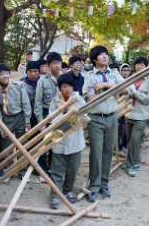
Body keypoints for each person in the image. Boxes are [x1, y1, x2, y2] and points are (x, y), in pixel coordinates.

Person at [82, 45, 125, 202]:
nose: (104, 56)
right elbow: (89, 97)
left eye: (106, 54)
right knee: (96, 152)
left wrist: (105, 86)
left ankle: (104, 184)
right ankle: (94, 185)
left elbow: (125, 88)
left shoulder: (114, 73)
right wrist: (99, 90)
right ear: (94, 59)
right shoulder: (88, 76)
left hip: (112, 117)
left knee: (108, 151)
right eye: (101, 55)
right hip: (96, 119)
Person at [48, 74, 86, 209]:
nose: (68, 89)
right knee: (57, 169)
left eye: (70, 86)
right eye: (64, 86)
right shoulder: (54, 101)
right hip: (59, 139)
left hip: (75, 140)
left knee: (72, 169)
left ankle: (68, 190)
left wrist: (71, 112)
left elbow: (84, 115)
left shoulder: (79, 99)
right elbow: (52, 120)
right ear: (60, 87)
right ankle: (54, 194)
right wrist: (62, 109)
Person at [0, 63, 32, 182]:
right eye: (1, 73)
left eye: (6, 73)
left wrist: (27, 120)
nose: (4, 76)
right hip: (5, 119)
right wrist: (0, 127)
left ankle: (22, 171)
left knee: (22, 145)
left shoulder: (18, 85)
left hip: (20, 117)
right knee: (6, 147)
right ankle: (7, 171)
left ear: (10, 73)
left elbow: (25, 103)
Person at [125, 57, 149, 177]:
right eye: (137, 64)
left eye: (142, 65)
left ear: (146, 67)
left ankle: (130, 165)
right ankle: (136, 161)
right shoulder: (130, 79)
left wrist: (135, 93)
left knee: (134, 140)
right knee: (131, 141)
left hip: (141, 116)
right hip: (128, 114)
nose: (139, 67)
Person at [34, 52, 63, 180]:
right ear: (49, 65)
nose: (57, 66)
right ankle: (42, 169)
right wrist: (41, 121)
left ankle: (54, 168)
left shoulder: (66, 78)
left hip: (61, 113)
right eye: (54, 63)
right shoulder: (43, 80)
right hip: (47, 114)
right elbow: (38, 103)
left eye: (59, 63)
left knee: (56, 142)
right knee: (43, 142)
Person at [22, 61, 41, 140]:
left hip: (40, 116)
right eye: (30, 71)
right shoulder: (22, 86)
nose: (33, 74)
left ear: (39, 72)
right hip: (27, 118)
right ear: (26, 72)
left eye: (35, 71)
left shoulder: (42, 83)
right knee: (27, 139)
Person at [118, 63, 131, 153]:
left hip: (129, 108)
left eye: (127, 70)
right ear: (120, 71)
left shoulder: (132, 81)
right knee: (119, 128)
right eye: (124, 70)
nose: (125, 72)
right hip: (118, 108)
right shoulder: (117, 81)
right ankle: (117, 146)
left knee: (127, 129)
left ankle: (124, 145)